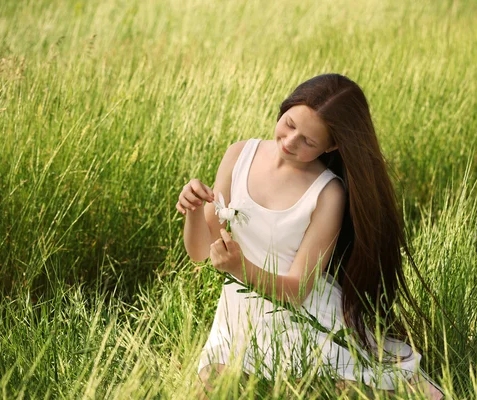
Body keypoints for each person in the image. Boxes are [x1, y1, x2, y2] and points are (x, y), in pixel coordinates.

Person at [176, 73, 443, 398]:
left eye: (308, 141)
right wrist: (191, 210)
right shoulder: (239, 154)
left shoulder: (328, 192)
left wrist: (239, 268)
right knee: (208, 390)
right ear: (284, 108)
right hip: (240, 310)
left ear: (331, 146)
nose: (290, 142)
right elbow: (202, 253)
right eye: (289, 124)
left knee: (364, 387)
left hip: (304, 313)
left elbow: (299, 290)